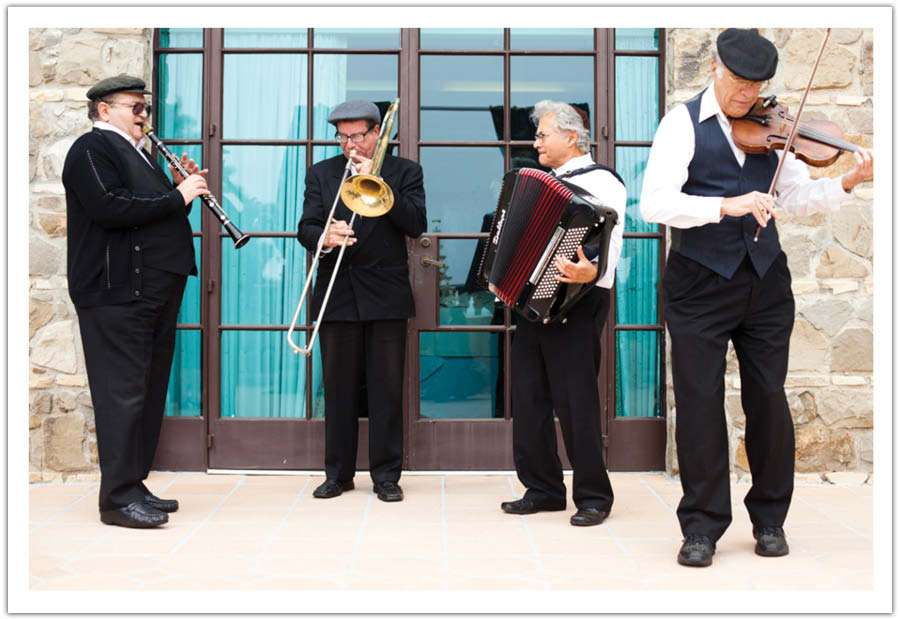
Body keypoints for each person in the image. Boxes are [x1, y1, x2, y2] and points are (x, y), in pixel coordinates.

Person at [639, 28, 874, 567]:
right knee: (699, 405)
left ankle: (770, 519)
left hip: (765, 282)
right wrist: (727, 204)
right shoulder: (681, 125)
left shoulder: (772, 127)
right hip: (698, 283)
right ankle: (701, 528)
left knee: (768, 399)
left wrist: (844, 184)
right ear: (716, 71)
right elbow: (655, 204)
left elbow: (795, 196)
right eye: (741, 85)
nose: (749, 98)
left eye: (758, 87)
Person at [62, 76, 210, 528]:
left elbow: (152, 214)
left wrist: (177, 192)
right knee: (121, 394)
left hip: (152, 291)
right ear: (104, 110)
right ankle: (116, 500)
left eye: (146, 108)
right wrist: (177, 196)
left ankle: (134, 483)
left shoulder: (138, 154)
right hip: (117, 292)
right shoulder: (90, 150)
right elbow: (110, 207)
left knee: (146, 393)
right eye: (135, 107)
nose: (144, 115)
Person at [500, 100, 627, 527]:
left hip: (578, 301)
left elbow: (610, 240)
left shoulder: (604, 183)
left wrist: (592, 269)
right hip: (533, 302)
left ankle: (593, 496)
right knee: (529, 398)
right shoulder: (541, 181)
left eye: (542, 135)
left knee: (577, 402)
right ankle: (543, 489)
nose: (535, 142)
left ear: (572, 137)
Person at [298, 100, 426, 503]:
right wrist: (325, 236)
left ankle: (387, 476)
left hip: (386, 294)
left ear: (376, 134)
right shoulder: (322, 174)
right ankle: (337, 474)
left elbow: (416, 223)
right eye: (342, 136)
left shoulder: (405, 171)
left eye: (357, 136)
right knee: (338, 390)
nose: (349, 144)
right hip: (337, 294)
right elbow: (306, 226)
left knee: (387, 390)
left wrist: (380, 184)